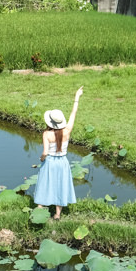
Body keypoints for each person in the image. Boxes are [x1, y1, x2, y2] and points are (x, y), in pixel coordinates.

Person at [33, 86, 83, 220]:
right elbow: (73, 114)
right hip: (62, 162)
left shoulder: (47, 134)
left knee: (45, 183)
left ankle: (40, 210)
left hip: (50, 162)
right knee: (60, 185)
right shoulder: (67, 131)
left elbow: (45, 152)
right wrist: (77, 97)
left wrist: (42, 158)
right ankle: (57, 214)